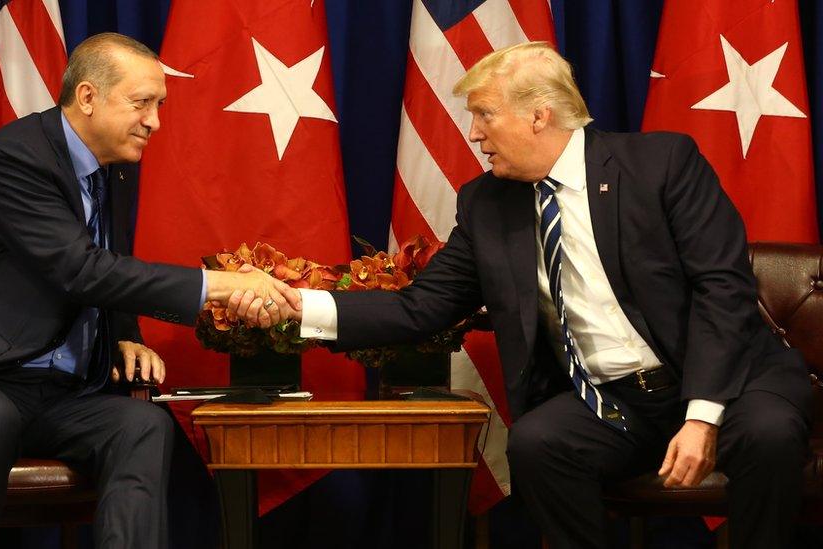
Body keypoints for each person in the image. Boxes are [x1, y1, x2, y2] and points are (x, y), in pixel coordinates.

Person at [233, 42, 812, 548]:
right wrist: (298, 304)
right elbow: (422, 306)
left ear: (540, 115)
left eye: (484, 114)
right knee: (539, 444)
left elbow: (722, 288)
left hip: (729, 384)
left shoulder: (660, 164)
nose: (476, 133)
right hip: (616, 403)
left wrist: (703, 416)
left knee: (768, 435)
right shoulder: (488, 202)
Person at [0, 33, 298, 549]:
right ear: (88, 97)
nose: (155, 121)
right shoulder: (17, 156)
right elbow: (80, 269)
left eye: (159, 105)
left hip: (53, 394)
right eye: (142, 104)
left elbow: (103, 261)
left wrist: (125, 332)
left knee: (141, 425)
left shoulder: (111, 170)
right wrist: (221, 286)